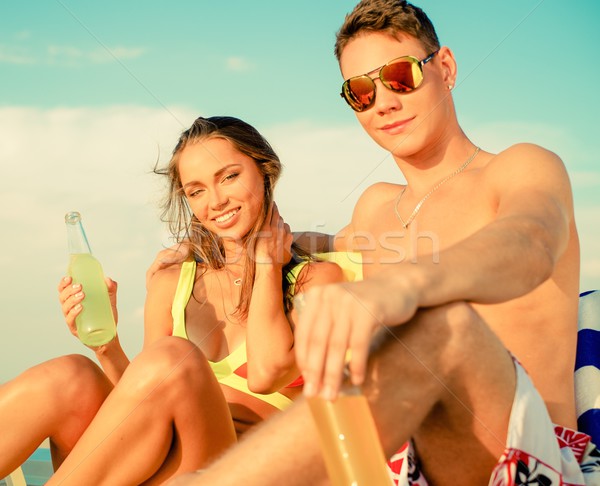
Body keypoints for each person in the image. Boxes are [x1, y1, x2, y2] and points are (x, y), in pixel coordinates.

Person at [165, 2, 600, 485]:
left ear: (446, 68)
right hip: (402, 464)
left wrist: (406, 286)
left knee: (443, 325)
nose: (383, 101)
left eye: (399, 75)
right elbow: (292, 241)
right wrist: (207, 245)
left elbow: (530, 242)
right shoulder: (374, 209)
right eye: (360, 91)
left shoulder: (519, 168)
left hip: (529, 458)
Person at [0, 116, 342, 485]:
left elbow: (268, 371)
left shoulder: (314, 281)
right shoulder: (172, 283)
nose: (216, 200)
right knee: (71, 375)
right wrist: (106, 345)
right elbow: (138, 407)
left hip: (245, 471)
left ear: (265, 171)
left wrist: (267, 267)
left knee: (173, 358)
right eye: (196, 191)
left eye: (229, 176)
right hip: (168, 465)